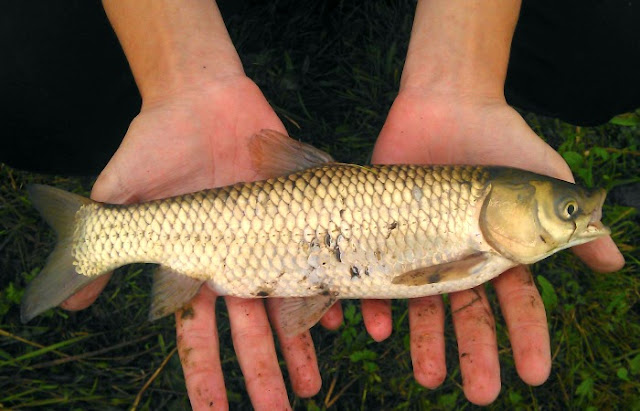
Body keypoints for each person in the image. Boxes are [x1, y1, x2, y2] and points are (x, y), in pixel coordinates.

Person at [2, 0, 634, 409]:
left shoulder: (482, 244)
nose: (575, 220)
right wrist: (180, 75)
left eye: (567, 213)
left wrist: (463, 67)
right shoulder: (478, 255)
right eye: (567, 213)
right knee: (28, 86)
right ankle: (98, 227)